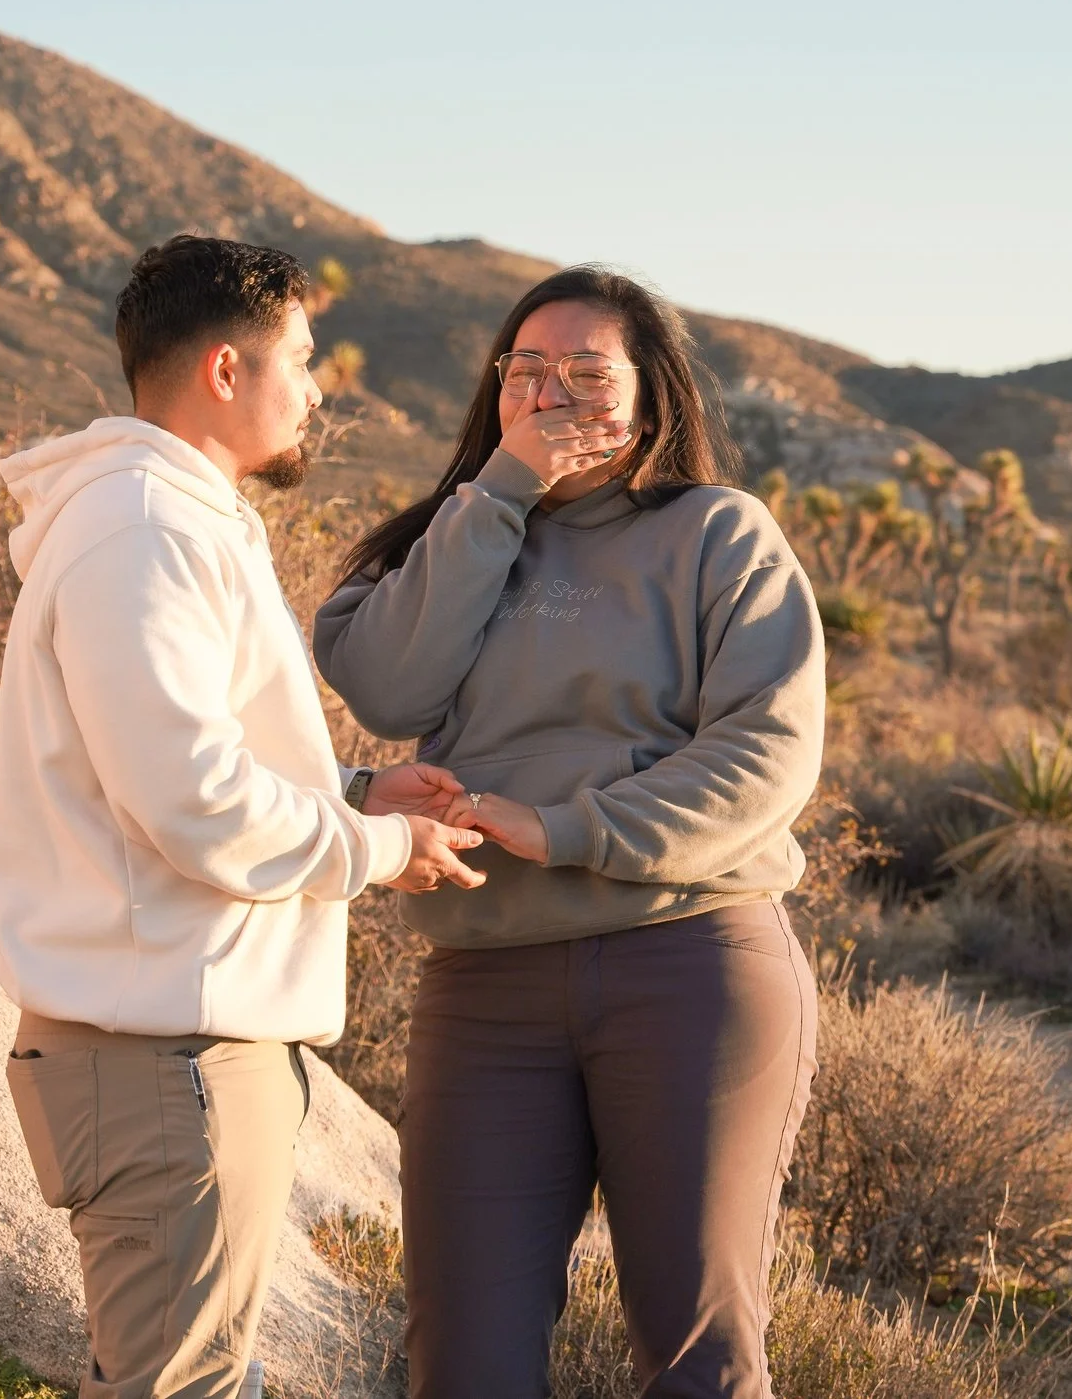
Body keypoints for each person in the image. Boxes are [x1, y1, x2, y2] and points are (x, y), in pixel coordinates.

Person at [0, 233, 488, 1399]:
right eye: (300, 358)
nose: (314, 389)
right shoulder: (142, 528)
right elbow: (193, 798)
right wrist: (380, 847)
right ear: (225, 368)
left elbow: (166, 765)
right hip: (168, 1056)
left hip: (176, 1047)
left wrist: (353, 793)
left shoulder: (162, 518)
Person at [315, 266, 826, 1399]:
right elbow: (389, 687)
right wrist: (502, 489)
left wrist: (565, 828)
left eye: (585, 372)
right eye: (525, 369)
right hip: (484, 984)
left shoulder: (718, 534)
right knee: (464, 1359)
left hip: (688, 963)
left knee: (697, 1358)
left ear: (648, 396)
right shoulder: (454, 534)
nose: (549, 394)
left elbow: (767, 755)